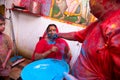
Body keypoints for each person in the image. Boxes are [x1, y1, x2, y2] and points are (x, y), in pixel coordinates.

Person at [56, 0, 120, 80]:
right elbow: (77, 35)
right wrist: (58, 35)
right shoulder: (98, 23)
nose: (90, 11)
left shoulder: (116, 27)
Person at [0, 14, 13, 80]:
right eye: (1, 24)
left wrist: (5, 62)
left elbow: (10, 49)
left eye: (4, 24)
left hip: (4, 63)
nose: (3, 26)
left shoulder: (7, 38)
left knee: (6, 76)